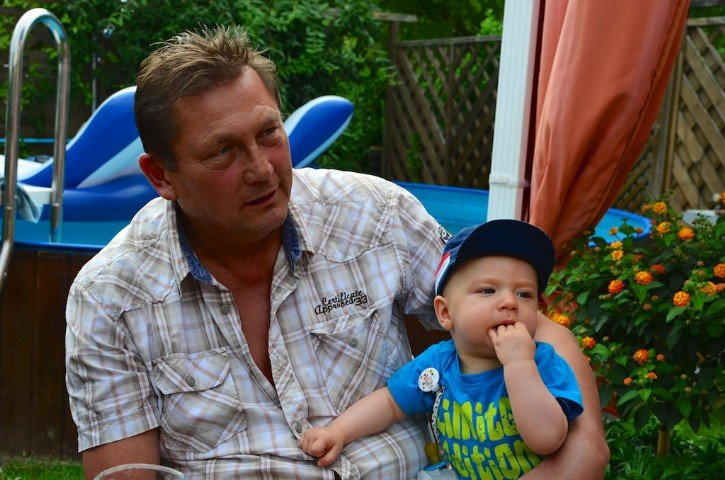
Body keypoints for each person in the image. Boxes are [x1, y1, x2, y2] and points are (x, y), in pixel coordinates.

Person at [65, 25, 609, 479]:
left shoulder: (375, 215)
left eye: (269, 133)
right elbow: (126, 474)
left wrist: (583, 449)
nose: (262, 169)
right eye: (223, 152)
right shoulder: (111, 296)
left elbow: (525, 321)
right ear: (161, 175)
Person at [300, 220, 583, 478]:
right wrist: (338, 431)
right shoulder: (438, 364)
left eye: (524, 294)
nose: (510, 302)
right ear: (445, 313)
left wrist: (519, 364)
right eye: (487, 290)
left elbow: (548, 440)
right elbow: (390, 403)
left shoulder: (543, 362)